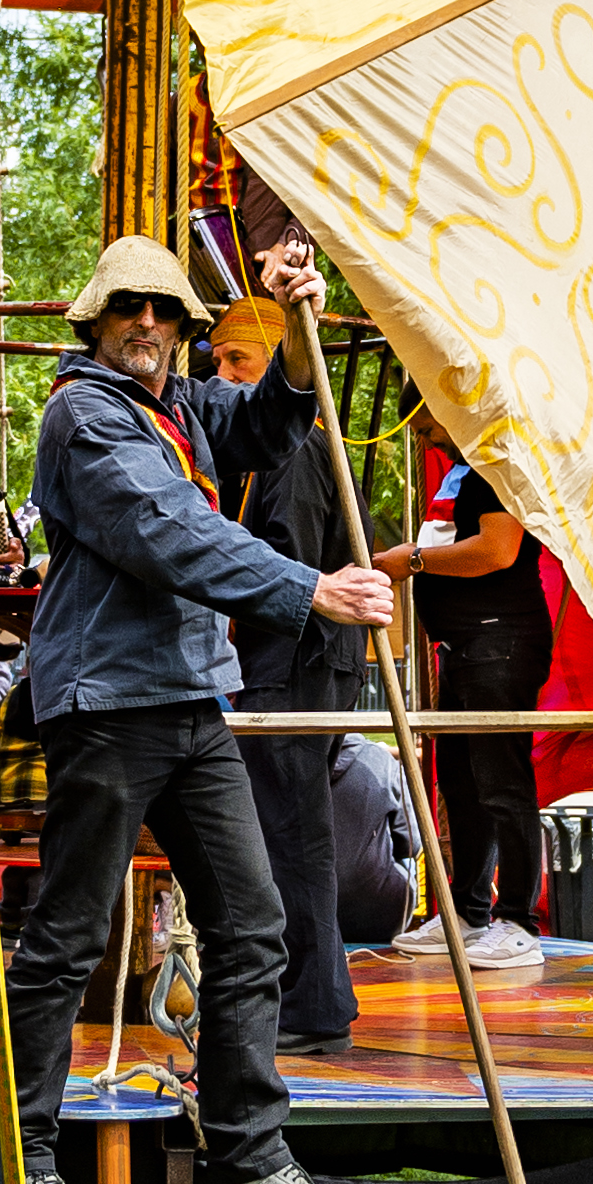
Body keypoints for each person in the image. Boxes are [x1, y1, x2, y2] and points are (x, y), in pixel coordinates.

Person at [2, 230, 392, 1184]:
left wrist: (296, 325)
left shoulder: (177, 407)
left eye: (166, 312)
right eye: (131, 308)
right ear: (95, 321)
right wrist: (310, 588)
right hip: (110, 704)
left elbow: (270, 421)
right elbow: (171, 529)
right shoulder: (87, 417)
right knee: (69, 933)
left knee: (254, 924)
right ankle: (24, 1161)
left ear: (183, 329)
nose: (148, 324)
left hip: (188, 699)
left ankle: (251, 1165)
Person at [212, 292, 361, 1053]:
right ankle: (313, 991)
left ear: (275, 358)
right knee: (291, 827)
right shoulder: (285, 444)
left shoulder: (294, 444)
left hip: (295, 657)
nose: (225, 375)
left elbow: (291, 563)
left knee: (295, 831)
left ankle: (312, 1001)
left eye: (237, 360)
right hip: (294, 655)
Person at [376, 420, 552, 967]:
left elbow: (498, 550)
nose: (428, 438)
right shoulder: (457, 473)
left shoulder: (497, 464)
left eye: (429, 424)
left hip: (501, 640)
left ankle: (521, 920)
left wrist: (414, 562)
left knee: (503, 780)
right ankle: (468, 912)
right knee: (461, 781)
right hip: (460, 646)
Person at [329, 730, 419, 947]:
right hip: (384, 913)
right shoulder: (379, 758)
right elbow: (411, 843)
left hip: (302, 918)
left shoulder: (279, 763)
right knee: (406, 860)